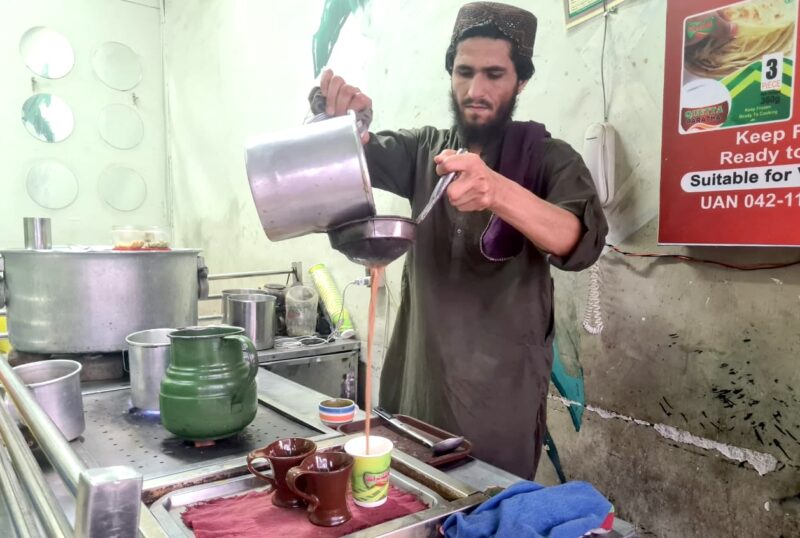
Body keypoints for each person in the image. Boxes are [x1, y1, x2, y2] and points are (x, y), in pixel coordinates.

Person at [313, 1, 608, 479]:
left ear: (521, 81)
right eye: (464, 71)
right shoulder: (424, 151)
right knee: (407, 504)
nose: (476, 90)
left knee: (486, 512)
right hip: (418, 384)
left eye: (495, 74)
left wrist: (499, 192)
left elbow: (580, 242)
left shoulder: (550, 160)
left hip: (499, 403)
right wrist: (346, 123)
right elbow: (351, 160)